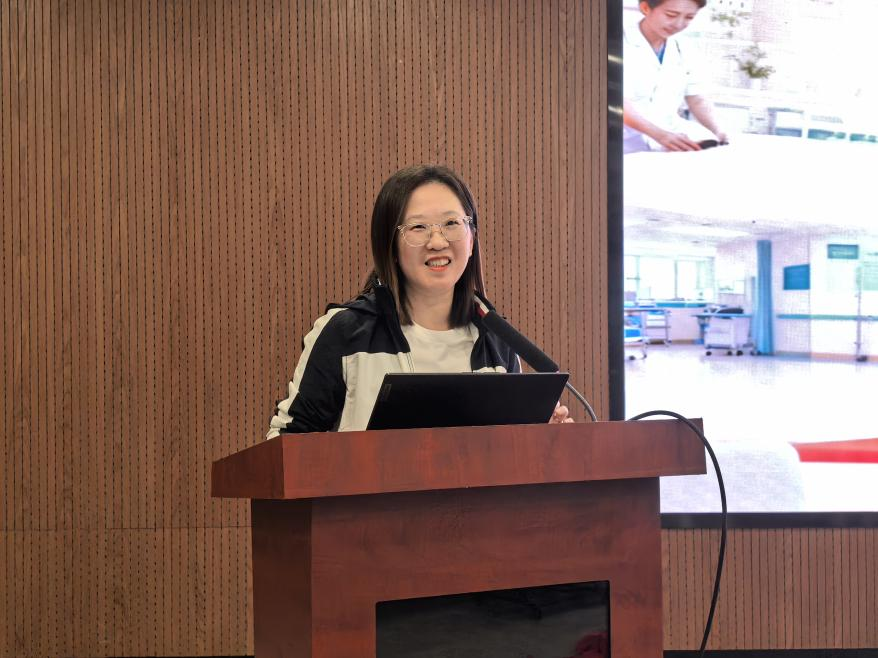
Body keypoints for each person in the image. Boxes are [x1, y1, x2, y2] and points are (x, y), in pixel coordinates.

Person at [266, 165, 572, 438]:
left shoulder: (496, 339)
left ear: (472, 237)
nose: (437, 242)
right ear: (390, 245)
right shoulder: (345, 333)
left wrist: (539, 440)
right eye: (418, 227)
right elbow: (285, 444)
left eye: (451, 223)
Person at [623, 0, 728, 153]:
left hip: (668, 140)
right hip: (622, 142)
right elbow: (616, 102)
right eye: (671, 15)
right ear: (645, 7)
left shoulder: (685, 47)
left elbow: (697, 99)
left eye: (689, 17)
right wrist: (660, 135)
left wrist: (718, 131)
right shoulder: (615, 43)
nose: (679, 24)